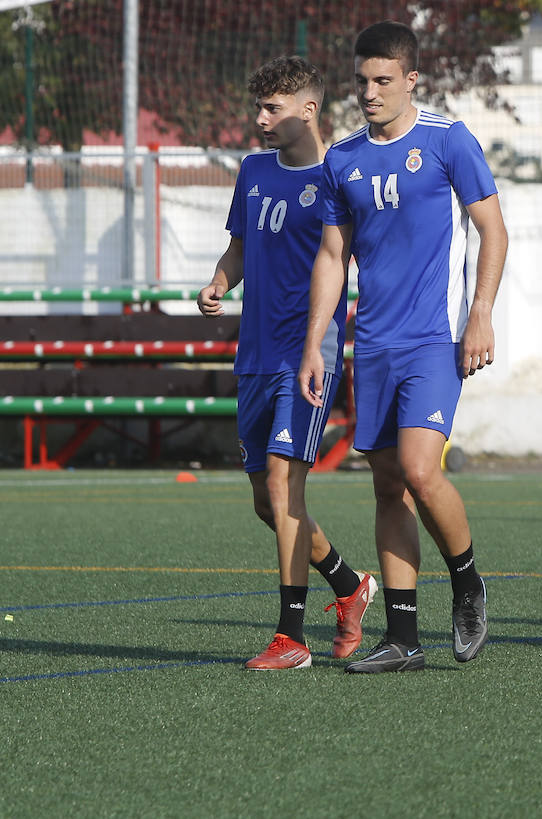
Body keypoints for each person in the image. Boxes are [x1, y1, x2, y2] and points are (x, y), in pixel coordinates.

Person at [299, 20, 509, 673]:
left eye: (383, 80)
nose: (369, 92)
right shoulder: (343, 159)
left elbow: (492, 231)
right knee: (387, 486)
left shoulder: (448, 140)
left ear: (411, 79)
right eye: (361, 80)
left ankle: (469, 584)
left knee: (421, 468)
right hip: (375, 342)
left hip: (434, 337)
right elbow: (333, 255)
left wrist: (480, 314)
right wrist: (315, 344)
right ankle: (404, 638)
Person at [198, 56, 375, 671]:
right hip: (255, 354)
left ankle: (290, 639)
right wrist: (218, 282)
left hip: (309, 353)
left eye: (272, 109)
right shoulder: (251, 170)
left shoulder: (341, 175)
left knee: (282, 484)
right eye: (258, 108)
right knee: (265, 502)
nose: (259, 120)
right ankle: (350, 585)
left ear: (308, 109)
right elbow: (240, 246)